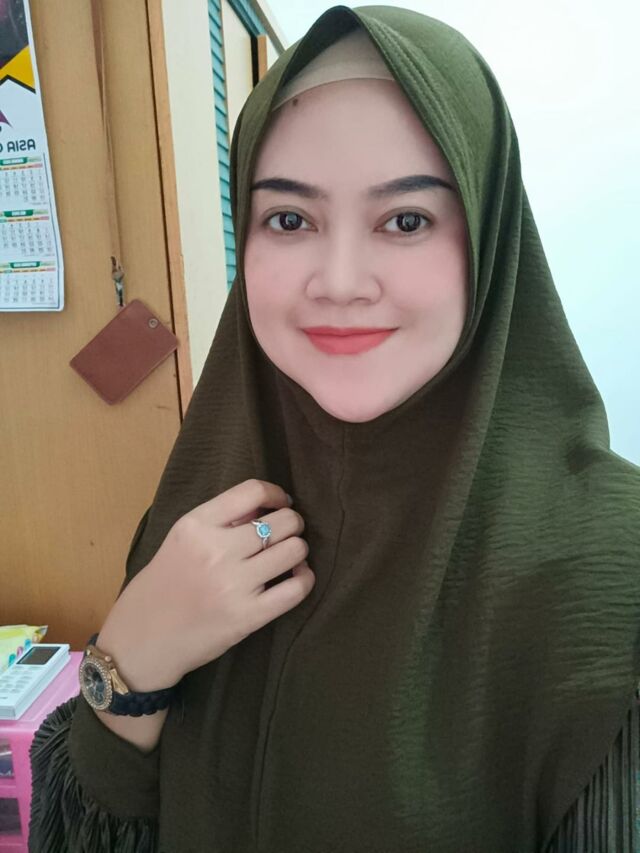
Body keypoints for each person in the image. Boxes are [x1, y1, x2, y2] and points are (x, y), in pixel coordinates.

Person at [28, 5, 640, 852]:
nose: (341, 280)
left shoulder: (612, 577)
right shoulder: (203, 503)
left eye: (406, 220)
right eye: (289, 219)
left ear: (489, 236)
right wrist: (130, 659)